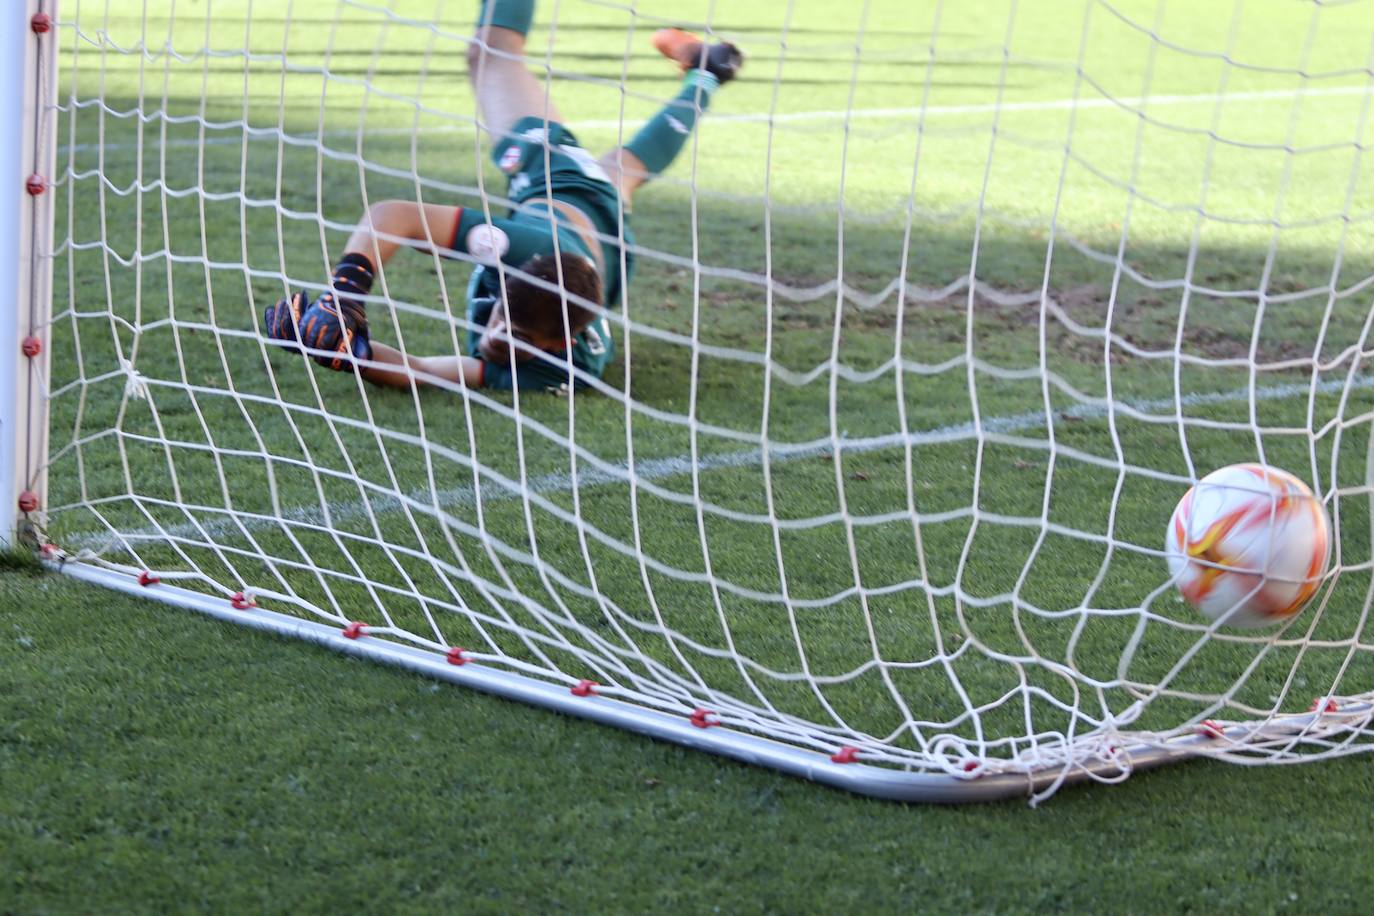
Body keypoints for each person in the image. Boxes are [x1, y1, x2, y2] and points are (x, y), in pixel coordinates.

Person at [262, 0, 742, 394]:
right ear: (507, 282)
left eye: (520, 341)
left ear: (561, 344)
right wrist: (346, 293)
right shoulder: (517, 248)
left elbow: (425, 371)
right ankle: (706, 73)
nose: (494, 339)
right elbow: (395, 216)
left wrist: (345, 354)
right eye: (503, 321)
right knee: (490, 55)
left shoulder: (567, 368)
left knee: (620, 173)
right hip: (554, 186)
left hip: (605, 249)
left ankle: (707, 73)